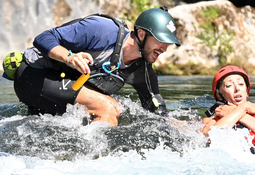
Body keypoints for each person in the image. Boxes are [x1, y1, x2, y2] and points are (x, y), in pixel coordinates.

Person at [12, 7, 180, 126]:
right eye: (161, 40)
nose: (164, 49)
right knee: (108, 107)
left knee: (115, 108)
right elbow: (43, 38)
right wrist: (69, 57)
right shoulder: (102, 30)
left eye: (168, 43)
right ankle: (92, 166)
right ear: (142, 34)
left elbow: (157, 111)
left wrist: (182, 127)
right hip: (33, 75)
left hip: (58, 92)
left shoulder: (142, 71)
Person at [201, 65, 255, 154]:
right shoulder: (211, 120)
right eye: (229, 85)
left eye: (241, 84)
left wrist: (236, 110)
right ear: (219, 95)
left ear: (246, 90)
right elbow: (211, 134)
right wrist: (243, 108)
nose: (237, 88)